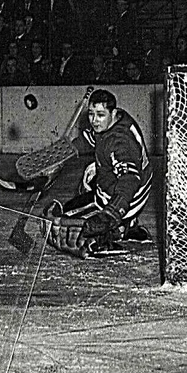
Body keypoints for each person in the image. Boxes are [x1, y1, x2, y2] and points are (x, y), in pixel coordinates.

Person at [44, 89, 153, 257]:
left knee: (68, 223)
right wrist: (59, 157)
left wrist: (113, 212)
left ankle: (115, 232)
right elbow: (88, 140)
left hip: (130, 195)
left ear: (113, 112)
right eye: (91, 114)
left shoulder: (120, 142)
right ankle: (129, 225)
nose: (94, 121)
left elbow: (130, 180)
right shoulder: (115, 120)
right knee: (73, 205)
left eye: (100, 115)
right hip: (129, 183)